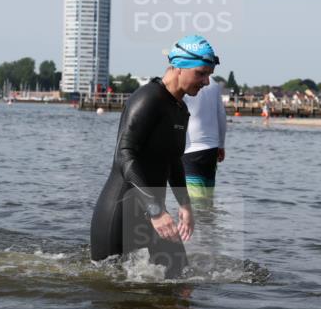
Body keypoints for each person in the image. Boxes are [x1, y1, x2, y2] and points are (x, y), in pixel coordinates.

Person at [90, 35, 219, 278]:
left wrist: (185, 205)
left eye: (208, 74)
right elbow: (125, 155)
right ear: (179, 66)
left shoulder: (180, 109)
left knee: (181, 279)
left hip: (152, 212)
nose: (206, 81)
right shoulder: (148, 99)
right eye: (201, 73)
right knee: (111, 292)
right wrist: (156, 210)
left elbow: (173, 160)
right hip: (119, 212)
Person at [183, 75, 227, 200]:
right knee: (207, 200)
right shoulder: (213, 83)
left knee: (194, 203)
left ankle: (201, 220)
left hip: (190, 149)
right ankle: (209, 220)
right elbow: (221, 115)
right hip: (211, 149)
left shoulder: (184, 81)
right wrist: (221, 145)